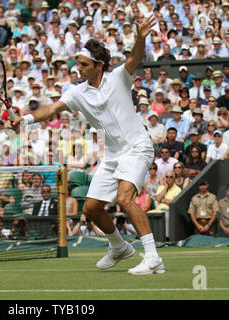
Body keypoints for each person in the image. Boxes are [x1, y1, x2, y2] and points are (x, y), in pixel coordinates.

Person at [12, 17, 165, 275]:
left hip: (138, 147)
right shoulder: (76, 92)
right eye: (77, 64)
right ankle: (119, 247)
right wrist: (25, 119)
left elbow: (135, 57)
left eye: (83, 64)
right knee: (91, 208)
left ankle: (152, 257)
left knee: (126, 198)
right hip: (114, 154)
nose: (78, 69)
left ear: (99, 66)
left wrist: (140, 37)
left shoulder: (118, 77)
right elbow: (50, 109)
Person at [149, 170, 182, 239]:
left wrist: (162, 200)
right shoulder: (161, 187)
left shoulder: (177, 189)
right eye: (167, 177)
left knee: (166, 215)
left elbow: (172, 202)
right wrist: (166, 187)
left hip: (168, 211)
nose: (169, 179)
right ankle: (149, 237)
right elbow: (158, 198)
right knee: (147, 215)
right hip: (157, 210)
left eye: (171, 177)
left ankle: (166, 237)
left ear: (174, 178)